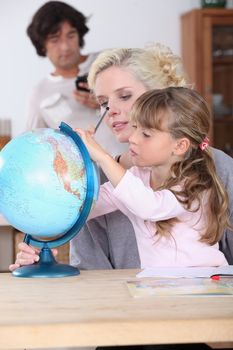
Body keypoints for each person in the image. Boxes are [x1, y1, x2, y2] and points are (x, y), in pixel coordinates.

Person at [10, 44, 233, 271]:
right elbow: (78, 217)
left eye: (125, 96)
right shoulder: (94, 179)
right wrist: (41, 242)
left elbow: (148, 205)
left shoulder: (215, 167)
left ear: (161, 95)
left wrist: (102, 157)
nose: (110, 110)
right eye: (103, 103)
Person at [76, 87, 230, 267]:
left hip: (205, 286)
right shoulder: (136, 177)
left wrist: (103, 157)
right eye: (134, 127)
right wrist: (75, 159)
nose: (132, 138)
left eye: (146, 134)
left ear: (180, 146)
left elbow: (149, 207)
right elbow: (85, 206)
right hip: (160, 287)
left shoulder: (196, 186)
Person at [25, 1, 124, 155]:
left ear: (79, 35)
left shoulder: (111, 60)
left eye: (71, 35)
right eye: (55, 39)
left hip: (137, 164)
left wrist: (105, 103)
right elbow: (33, 146)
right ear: (43, 45)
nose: (65, 46)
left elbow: (152, 99)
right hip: (90, 176)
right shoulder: (40, 94)